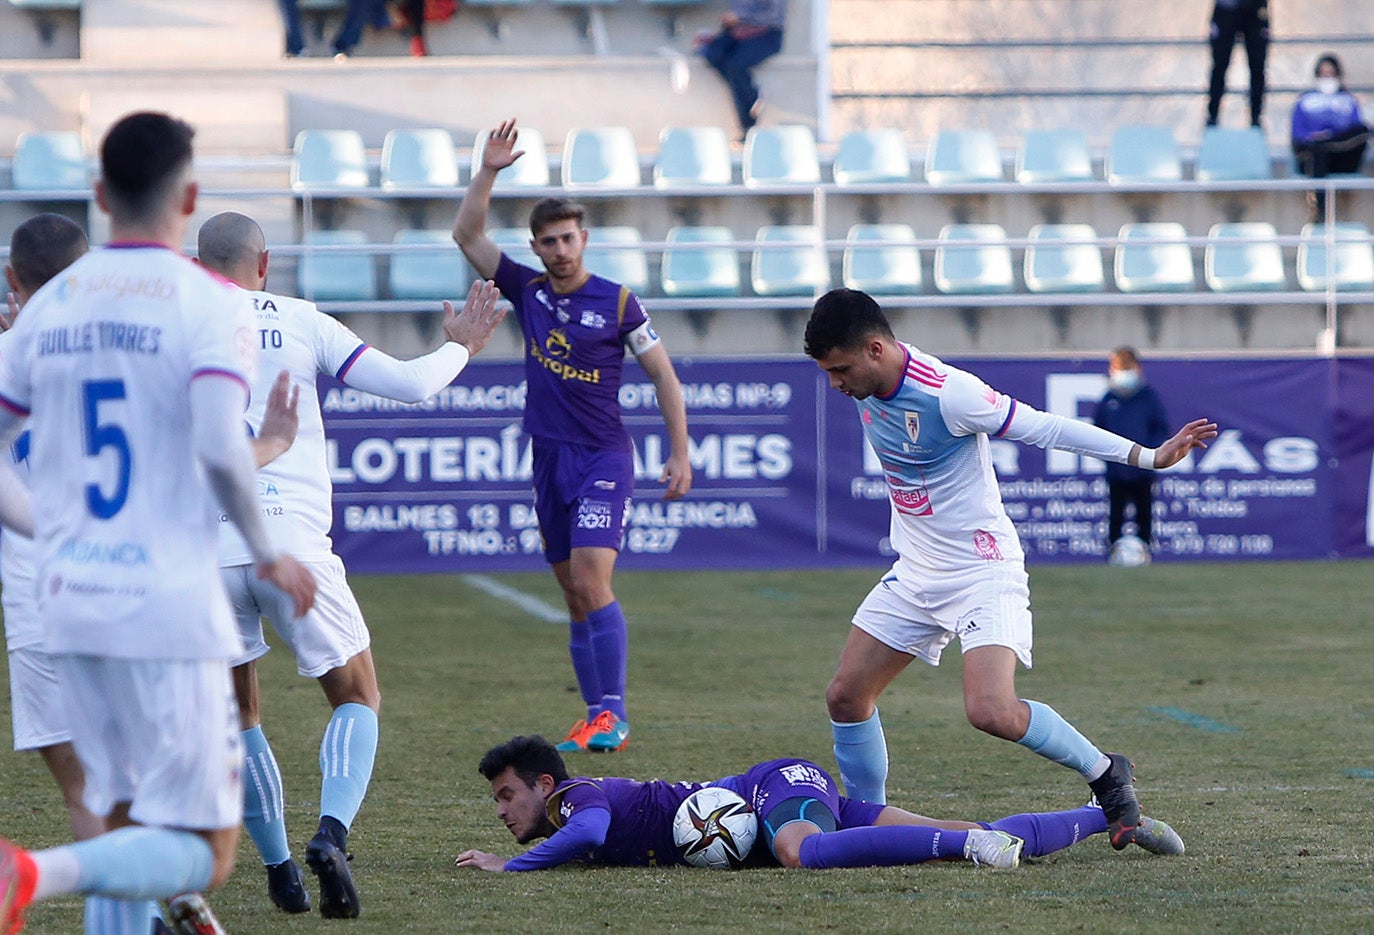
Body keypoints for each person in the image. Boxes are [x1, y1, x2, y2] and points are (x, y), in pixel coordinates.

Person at [0, 111, 317, 935]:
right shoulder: (209, 302)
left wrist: (48, 527)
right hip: (167, 603)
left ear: (100, 194)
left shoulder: (48, 305)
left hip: (70, 596)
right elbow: (218, 443)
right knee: (204, 853)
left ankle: (54, 870)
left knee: (119, 813)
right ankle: (30, 869)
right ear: (191, 196)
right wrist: (263, 550)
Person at [803, 289, 1217, 850]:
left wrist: (1147, 457)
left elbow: (1048, 429)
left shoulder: (951, 394)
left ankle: (1105, 772)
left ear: (876, 349)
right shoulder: (867, 377)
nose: (835, 384)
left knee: (991, 710)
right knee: (846, 697)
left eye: (841, 370)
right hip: (916, 571)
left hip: (981, 569)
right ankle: (866, 819)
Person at [194, 210, 503, 919]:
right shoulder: (301, 318)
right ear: (264, 264)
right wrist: (459, 346)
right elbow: (408, 384)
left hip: (205, 546)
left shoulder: (175, 330)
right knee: (357, 693)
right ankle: (330, 835)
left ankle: (277, 871)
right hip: (293, 543)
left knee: (239, 713)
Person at [452, 119, 693, 755]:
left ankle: (614, 711)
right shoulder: (527, 292)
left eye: (568, 238)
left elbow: (663, 375)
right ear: (536, 248)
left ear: (583, 239)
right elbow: (466, 234)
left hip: (603, 455)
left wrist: (680, 450)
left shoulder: (618, 302)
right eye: (549, 241)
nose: (560, 249)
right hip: (548, 456)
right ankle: (594, 714)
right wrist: (489, 172)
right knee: (572, 592)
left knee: (591, 577)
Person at [455, 735, 1184, 872]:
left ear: (546, 785)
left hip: (776, 785)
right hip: (788, 785)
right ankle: (1115, 817)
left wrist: (509, 868)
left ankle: (969, 851)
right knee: (963, 825)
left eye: (507, 794)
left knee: (799, 851)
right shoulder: (573, 804)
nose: (502, 812)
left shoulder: (582, 797)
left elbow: (590, 833)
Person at [1092, 348, 1170, 555]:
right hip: (1116, 469)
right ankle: (1113, 552)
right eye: (1118, 367)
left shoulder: (1148, 397)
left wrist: (1149, 453)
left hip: (1143, 469)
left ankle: (1145, 551)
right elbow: (1097, 431)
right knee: (1115, 513)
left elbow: (1161, 429)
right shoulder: (1109, 398)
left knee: (1144, 512)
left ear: (1137, 368)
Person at [1291, 53, 1369, 220]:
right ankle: (1320, 212)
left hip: (1342, 155)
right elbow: (1297, 133)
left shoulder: (1348, 100)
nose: (1327, 77)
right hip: (1313, 156)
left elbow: (1356, 131)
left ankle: (1326, 143)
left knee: (1363, 131)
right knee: (1317, 152)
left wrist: (1329, 137)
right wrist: (1315, 138)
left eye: (1331, 73)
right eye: (1323, 73)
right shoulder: (1304, 100)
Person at [696, 0, 786, 137]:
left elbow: (771, 15)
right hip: (739, 32)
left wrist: (741, 17)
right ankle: (751, 96)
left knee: (736, 66)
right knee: (712, 53)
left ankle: (748, 123)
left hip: (767, 34)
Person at [1206, 0, 1269, 128]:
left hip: (1255, 10)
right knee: (1219, 65)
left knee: (1258, 66)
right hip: (1226, 9)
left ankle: (1256, 117)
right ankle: (1212, 115)